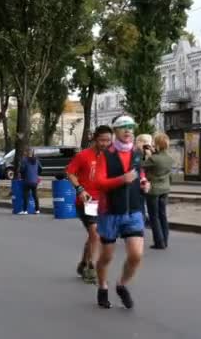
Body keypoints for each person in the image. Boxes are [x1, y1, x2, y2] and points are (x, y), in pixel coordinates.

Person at [94, 115, 149, 309]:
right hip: (110, 211)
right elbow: (98, 182)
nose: (128, 131)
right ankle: (102, 286)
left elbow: (139, 171)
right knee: (107, 256)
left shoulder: (135, 151)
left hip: (133, 210)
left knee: (136, 255)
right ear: (115, 131)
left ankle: (122, 285)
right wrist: (121, 180)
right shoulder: (105, 156)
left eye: (131, 128)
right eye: (123, 128)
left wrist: (143, 181)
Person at [66, 125, 113, 284]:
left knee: (93, 236)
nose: (105, 143)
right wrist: (80, 189)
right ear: (95, 139)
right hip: (86, 201)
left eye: (108, 140)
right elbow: (70, 172)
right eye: (102, 140)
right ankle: (91, 267)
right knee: (95, 233)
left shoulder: (110, 156)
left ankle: (83, 263)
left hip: (103, 202)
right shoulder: (83, 156)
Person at [142, 133, 174, 249]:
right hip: (165, 189)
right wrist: (153, 152)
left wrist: (147, 155)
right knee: (163, 215)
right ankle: (165, 240)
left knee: (154, 217)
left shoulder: (153, 159)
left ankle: (159, 242)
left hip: (154, 190)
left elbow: (141, 165)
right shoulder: (169, 158)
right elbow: (159, 160)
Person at [19, 148, 42, 215]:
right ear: (33, 153)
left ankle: (25, 210)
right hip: (35, 180)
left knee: (26, 195)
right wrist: (36, 174)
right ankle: (37, 209)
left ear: (26, 152)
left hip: (27, 180)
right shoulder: (36, 160)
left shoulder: (24, 160)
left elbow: (22, 169)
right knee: (35, 195)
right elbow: (40, 168)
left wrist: (22, 175)